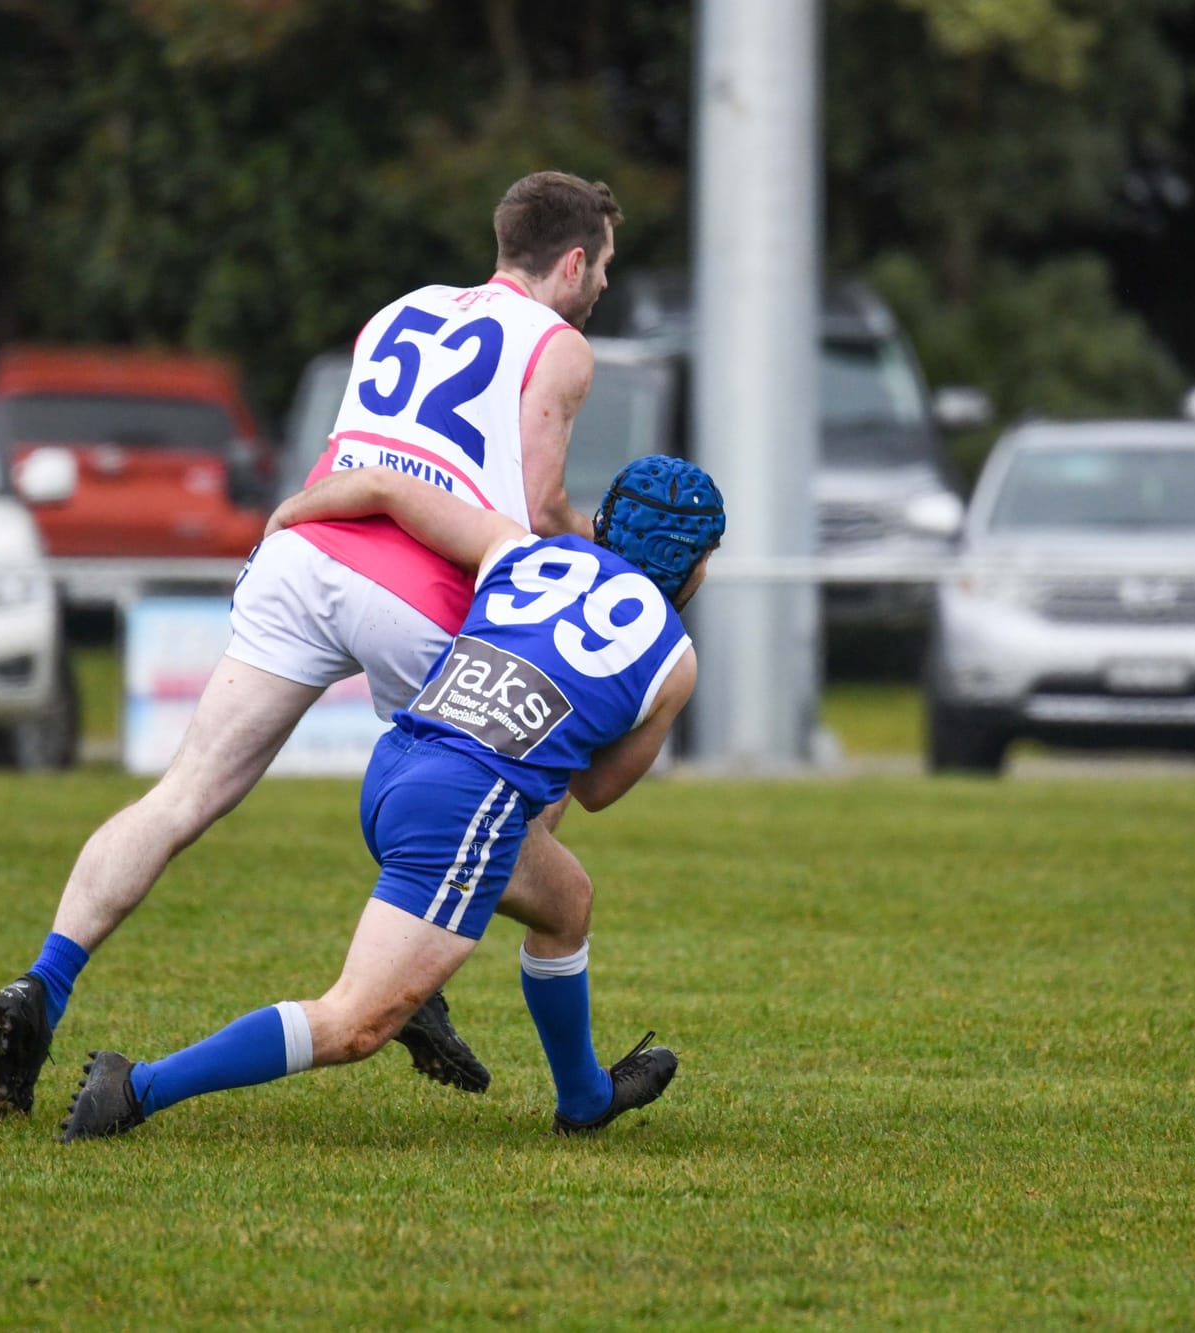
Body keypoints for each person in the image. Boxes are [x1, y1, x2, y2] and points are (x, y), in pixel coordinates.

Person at [0, 171, 624, 1119]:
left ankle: (43, 980)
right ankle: (418, 972)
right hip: (422, 591)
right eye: (601, 268)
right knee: (525, 788)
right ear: (572, 262)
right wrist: (616, 559)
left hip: (306, 552)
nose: (601, 287)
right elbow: (537, 505)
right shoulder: (560, 345)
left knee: (180, 796)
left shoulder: (400, 310)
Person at [57, 454, 725, 1142]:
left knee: (565, 900)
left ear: (604, 522)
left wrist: (289, 515)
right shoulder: (675, 660)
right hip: (465, 807)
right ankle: (135, 1087)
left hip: (398, 766)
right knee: (356, 1023)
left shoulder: (526, 550)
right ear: (695, 564)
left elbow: (386, 487)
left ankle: (585, 1098)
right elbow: (597, 789)